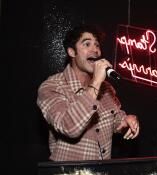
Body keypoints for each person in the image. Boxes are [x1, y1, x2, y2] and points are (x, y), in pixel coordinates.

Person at [37, 24, 140, 161]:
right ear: (72, 52)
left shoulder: (106, 88)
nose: (95, 50)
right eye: (87, 44)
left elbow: (115, 117)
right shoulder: (52, 87)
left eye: (97, 45)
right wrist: (96, 82)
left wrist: (126, 120)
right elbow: (69, 128)